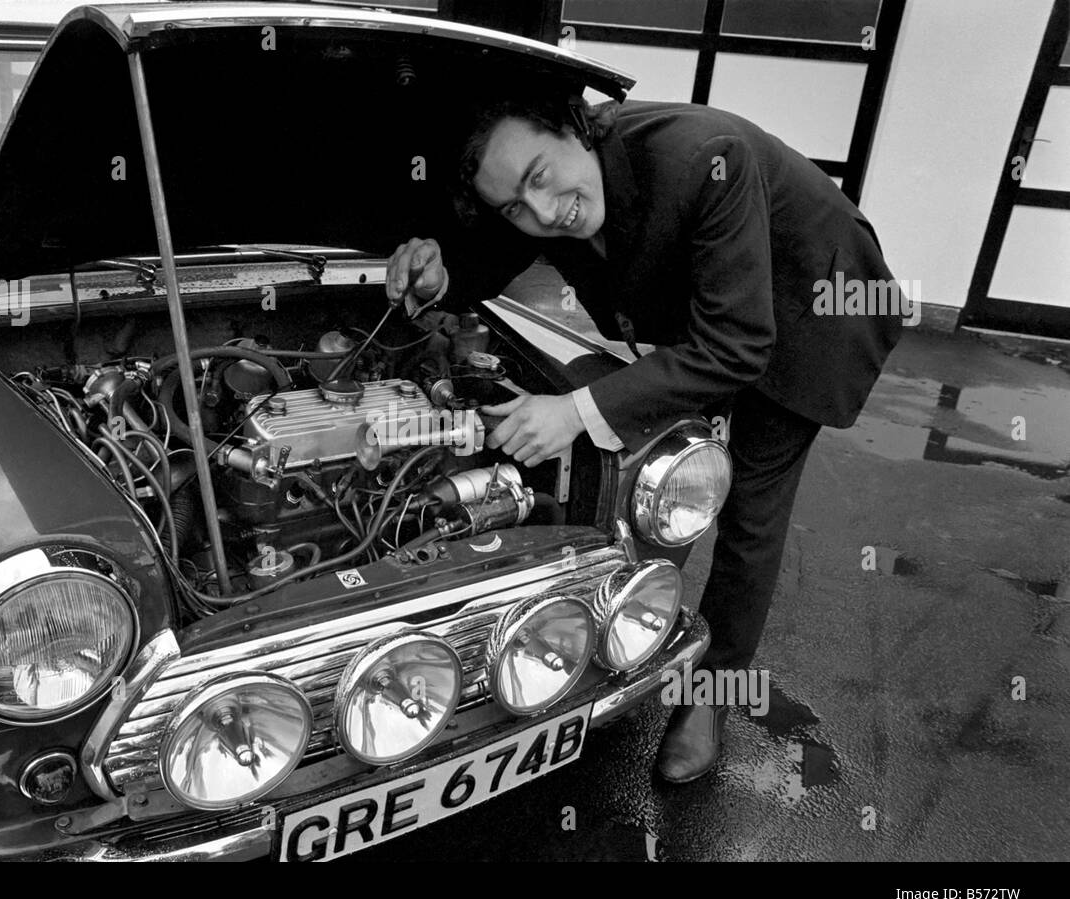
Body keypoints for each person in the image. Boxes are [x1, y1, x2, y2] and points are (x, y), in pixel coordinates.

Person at [385, 97, 904, 783]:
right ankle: (625, 618)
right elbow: (497, 255)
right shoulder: (545, 193)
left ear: (577, 128)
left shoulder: (705, 158)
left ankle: (710, 697)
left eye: (540, 177)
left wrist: (573, 411)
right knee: (675, 465)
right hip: (723, 306)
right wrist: (440, 273)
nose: (541, 212)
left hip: (814, 305)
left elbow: (739, 347)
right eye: (515, 205)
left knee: (749, 508)